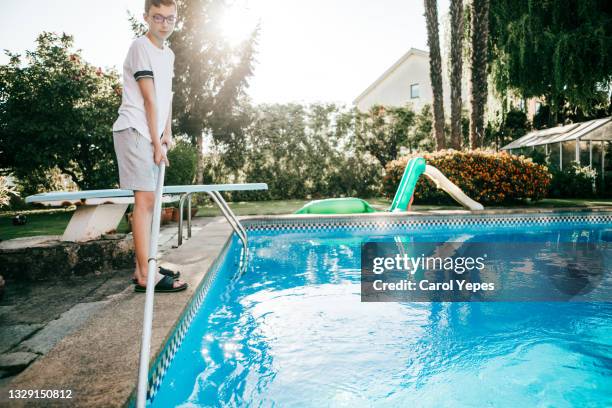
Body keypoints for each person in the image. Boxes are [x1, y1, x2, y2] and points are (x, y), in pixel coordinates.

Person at [113, 0, 187, 292]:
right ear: (147, 17)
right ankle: (146, 275)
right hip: (134, 130)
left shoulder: (167, 54)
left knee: (151, 203)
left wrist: (167, 131)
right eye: (158, 17)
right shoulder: (139, 47)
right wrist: (156, 143)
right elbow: (149, 99)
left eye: (170, 18)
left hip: (152, 133)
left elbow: (166, 96)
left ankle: (143, 267)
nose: (165, 23)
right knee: (144, 204)